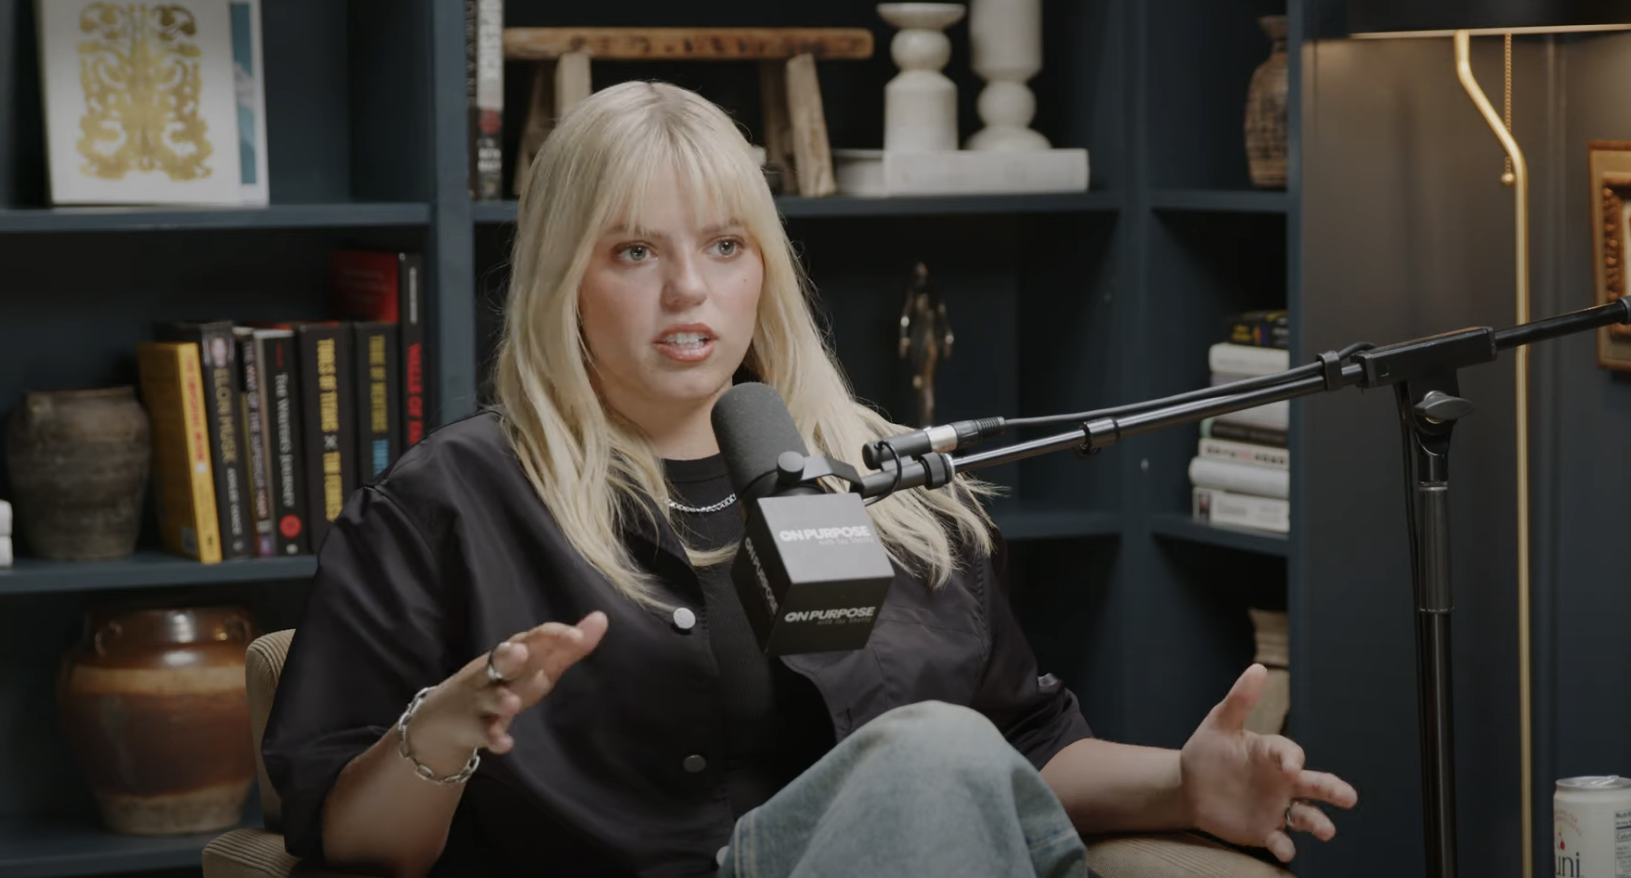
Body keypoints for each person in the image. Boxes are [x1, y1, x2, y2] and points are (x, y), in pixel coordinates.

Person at [261, 80, 1357, 878]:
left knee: (942, 750)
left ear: (766, 270)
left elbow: (1023, 748)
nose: (689, 289)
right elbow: (347, 839)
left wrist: (1183, 781)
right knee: (933, 745)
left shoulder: (882, 481)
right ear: (564, 279)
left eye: (726, 246)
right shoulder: (449, 502)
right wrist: (447, 727)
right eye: (634, 251)